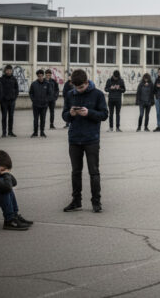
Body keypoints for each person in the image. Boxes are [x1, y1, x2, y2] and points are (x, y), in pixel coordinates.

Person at [62, 69, 108, 213]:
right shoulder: (70, 94)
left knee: (93, 172)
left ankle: (96, 202)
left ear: (87, 82)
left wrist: (89, 113)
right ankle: (76, 201)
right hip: (74, 139)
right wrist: (70, 113)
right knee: (76, 172)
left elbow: (104, 114)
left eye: (81, 87)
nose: (79, 90)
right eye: (76, 87)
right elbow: (64, 115)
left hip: (91, 139)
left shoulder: (98, 94)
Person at [28, 69, 51, 138]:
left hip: (44, 105)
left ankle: (42, 132)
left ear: (43, 76)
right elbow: (31, 93)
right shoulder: (34, 84)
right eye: (39, 76)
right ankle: (35, 132)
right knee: (35, 119)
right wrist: (33, 100)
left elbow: (50, 93)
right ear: (37, 76)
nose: (40, 77)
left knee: (43, 119)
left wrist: (46, 100)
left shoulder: (47, 84)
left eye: (41, 76)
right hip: (36, 105)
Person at [0, 64, 19, 138]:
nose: (9, 71)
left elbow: (17, 89)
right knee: (4, 117)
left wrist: (14, 97)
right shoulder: (1, 79)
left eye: (10, 70)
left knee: (11, 117)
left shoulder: (14, 79)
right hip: (4, 101)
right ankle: (4, 132)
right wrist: (1, 99)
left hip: (12, 101)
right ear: (5, 71)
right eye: (7, 70)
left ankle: (10, 132)